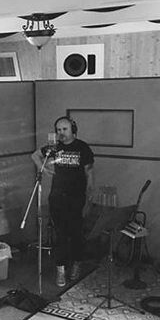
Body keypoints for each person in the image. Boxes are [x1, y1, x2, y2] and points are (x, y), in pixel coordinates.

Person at [31, 116, 94, 287]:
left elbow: (89, 173)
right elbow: (35, 155)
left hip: (77, 197)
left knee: (76, 232)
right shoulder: (54, 147)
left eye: (65, 129)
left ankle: (77, 263)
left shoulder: (82, 147)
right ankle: (60, 269)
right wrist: (43, 169)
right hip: (57, 197)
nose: (61, 133)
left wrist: (89, 196)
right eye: (58, 130)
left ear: (73, 130)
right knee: (60, 233)